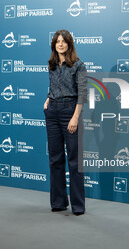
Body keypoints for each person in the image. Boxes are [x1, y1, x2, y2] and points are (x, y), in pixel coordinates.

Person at [43, 29, 87, 215]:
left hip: (70, 111)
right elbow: (53, 86)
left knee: (74, 161)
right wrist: (47, 100)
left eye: (63, 41)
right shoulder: (52, 64)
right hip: (52, 111)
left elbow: (82, 93)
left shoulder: (79, 65)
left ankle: (78, 206)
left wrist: (75, 117)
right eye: (57, 41)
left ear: (70, 43)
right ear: (54, 44)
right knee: (55, 160)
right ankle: (59, 202)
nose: (60, 44)